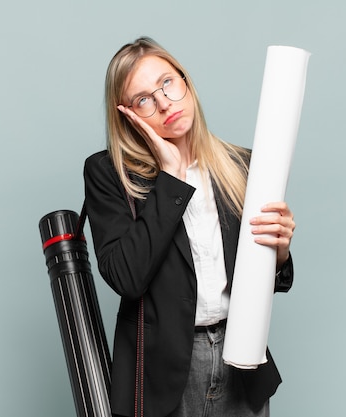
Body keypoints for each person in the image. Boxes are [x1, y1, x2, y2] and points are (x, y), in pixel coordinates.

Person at [83, 37, 295, 417]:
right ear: (127, 116)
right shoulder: (109, 174)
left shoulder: (240, 164)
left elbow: (266, 280)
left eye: (168, 83)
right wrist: (171, 177)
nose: (164, 102)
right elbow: (126, 277)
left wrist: (278, 253)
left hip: (242, 358)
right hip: (162, 374)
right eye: (144, 99)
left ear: (186, 83)